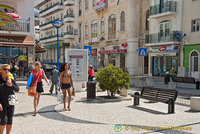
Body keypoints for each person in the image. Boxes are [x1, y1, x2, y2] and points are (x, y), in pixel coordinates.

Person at [0, 64, 19, 134]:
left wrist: (11, 85)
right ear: (1, 70)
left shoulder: (11, 78)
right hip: (2, 104)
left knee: (10, 121)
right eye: (5, 69)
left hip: (11, 103)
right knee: (3, 121)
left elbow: (17, 89)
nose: (7, 71)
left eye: (8, 69)